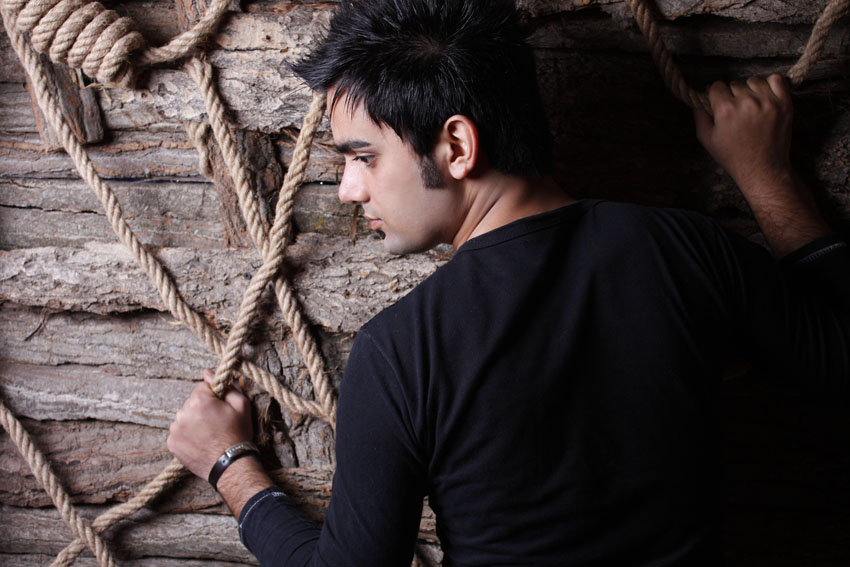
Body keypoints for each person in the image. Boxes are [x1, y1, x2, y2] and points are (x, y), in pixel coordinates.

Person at [167, 0, 850, 564]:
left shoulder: (401, 353)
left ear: (458, 146)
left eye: (363, 157)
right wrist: (767, 174)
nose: (347, 188)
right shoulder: (684, 249)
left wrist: (231, 465)